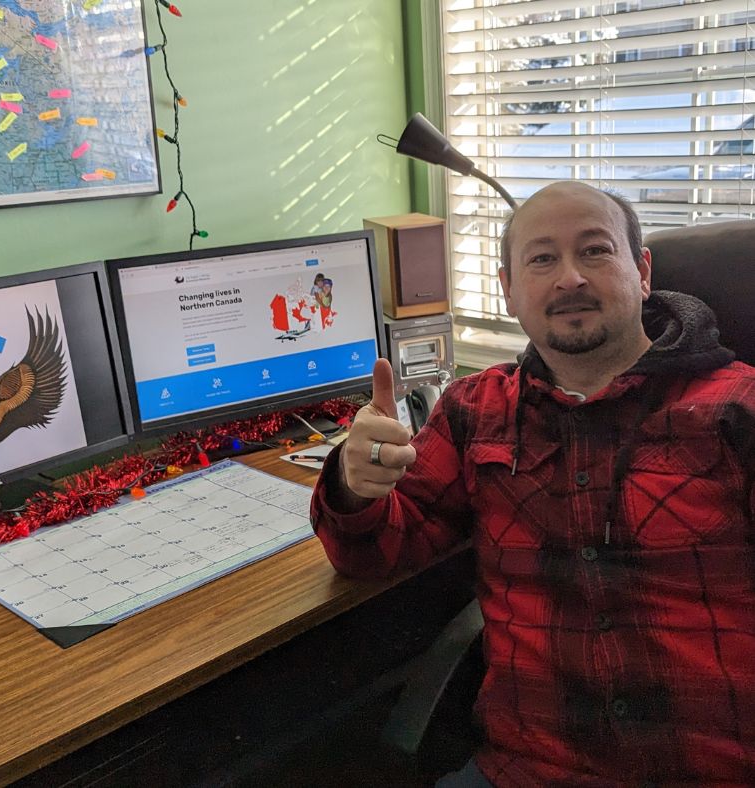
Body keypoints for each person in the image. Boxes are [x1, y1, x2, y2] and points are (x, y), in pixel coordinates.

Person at [310, 181, 755, 786]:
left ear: (643, 272)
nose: (569, 278)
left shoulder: (737, 406)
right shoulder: (476, 411)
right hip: (529, 768)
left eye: (595, 251)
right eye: (542, 259)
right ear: (509, 289)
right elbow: (379, 551)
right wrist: (355, 485)